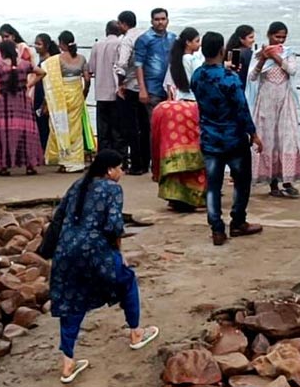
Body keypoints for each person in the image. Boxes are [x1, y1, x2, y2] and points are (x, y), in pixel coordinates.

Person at [49, 149, 159, 383]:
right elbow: (114, 226)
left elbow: (59, 218)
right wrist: (119, 253)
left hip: (66, 251)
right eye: (120, 168)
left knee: (71, 302)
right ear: (110, 171)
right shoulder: (112, 189)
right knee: (127, 280)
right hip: (95, 251)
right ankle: (136, 332)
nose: (122, 172)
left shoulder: (78, 185)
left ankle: (68, 363)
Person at [192, 31, 264, 246]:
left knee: (213, 186)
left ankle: (216, 228)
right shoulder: (229, 78)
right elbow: (241, 109)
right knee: (241, 182)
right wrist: (254, 134)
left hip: (210, 137)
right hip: (233, 138)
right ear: (222, 50)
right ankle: (238, 221)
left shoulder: (197, 75)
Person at [150, 27, 206, 211]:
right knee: (197, 153)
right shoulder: (193, 59)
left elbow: (169, 85)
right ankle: (195, 196)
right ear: (188, 43)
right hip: (193, 104)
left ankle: (173, 195)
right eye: (197, 41)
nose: (199, 45)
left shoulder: (175, 60)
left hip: (178, 102)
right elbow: (200, 80)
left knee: (173, 151)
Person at [248, 21, 300, 197]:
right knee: (268, 140)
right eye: (277, 37)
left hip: (284, 101)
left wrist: (277, 57)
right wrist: (264, 58)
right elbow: (252, 76)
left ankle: (287, 180)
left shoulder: (288, 53)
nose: (280, 40)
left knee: (287, 138)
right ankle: (273, 184)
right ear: (269, 35)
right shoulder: (259, 54)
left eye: (283, 37)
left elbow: (292, 71)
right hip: (265, 102)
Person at [0, 39, 46, 176]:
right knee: (26, 131)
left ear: (2, 51)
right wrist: (29, 85)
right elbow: (41, 72)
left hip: (4, 102)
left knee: (4, 132)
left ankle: (4, 166)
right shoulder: (25, 64)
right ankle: (30, 166)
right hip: (22, 101)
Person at [44, 31, 95, 173]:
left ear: (61, 44)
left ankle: (64, 162)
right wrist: (84, 94)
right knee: (76, 129)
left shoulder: (56, 60)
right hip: (77, 94)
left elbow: (50, 80)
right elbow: (87, 79)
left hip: (61, 96)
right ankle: (76, 162)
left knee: (60, 126)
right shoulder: (82, 58)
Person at [134, 9, 175, 148]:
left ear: (167, 20)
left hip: (170, 89)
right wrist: (142, 89)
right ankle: (156, 161)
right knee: (155, 127)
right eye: (157, 19)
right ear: (152, 21)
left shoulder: (173, 38)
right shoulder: (144, 39)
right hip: (152, 89)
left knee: (170, 126)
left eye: (163, 19)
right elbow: (138, 65)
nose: (160, 22)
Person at [114, 11, 148, 174]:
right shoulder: (146, 35)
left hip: (131, 87)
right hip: (146, 86)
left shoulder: (127, 39)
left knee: (131, 127)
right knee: (145, 125)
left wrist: (120, 84)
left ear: (123, 24)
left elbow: (121, 64)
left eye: (119, 24)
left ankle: (136, 165)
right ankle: (146, 162)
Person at [89, 21, 126, 165]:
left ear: (106, 31)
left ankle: (103, 161)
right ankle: (119, 160)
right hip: (116, 91)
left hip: (100, 92)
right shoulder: (120, 44)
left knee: (103, 130)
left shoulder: (97, 45)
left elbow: (91, 67)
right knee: (117, 130)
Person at [34, 33, 59, 152]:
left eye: (39, 44)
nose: (36, 46)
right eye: (35, 43)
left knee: (45, 122)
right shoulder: (41, 60)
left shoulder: (49, 60)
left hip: (45, 92)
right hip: (39, 91)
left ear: (46, 46)